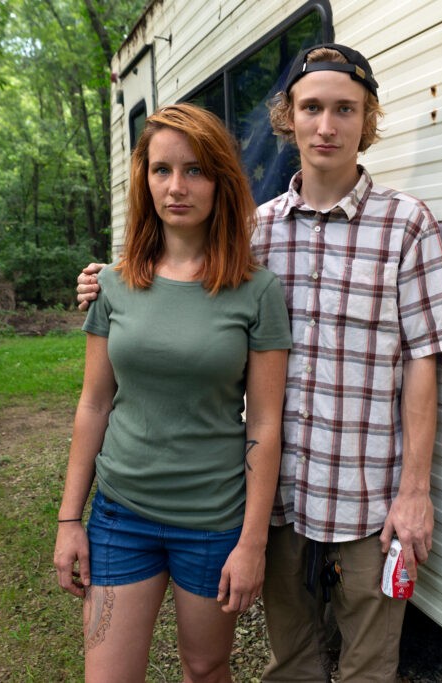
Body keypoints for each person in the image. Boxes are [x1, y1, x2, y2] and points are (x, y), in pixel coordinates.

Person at [77, 44, 442, 681]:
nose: (327, 125)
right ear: (288, 117)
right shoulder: (256, 231)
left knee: (370, 665)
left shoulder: (406, 225)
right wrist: (105, 282)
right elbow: (174, 277)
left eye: (346, 109)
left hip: (366, 491)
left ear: (366, 120)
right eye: (311, 107)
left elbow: (424, 358)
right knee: (293, 662)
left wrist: (415, 492)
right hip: (274, 497)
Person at [54, 102, 292, 683]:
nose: (176, 187)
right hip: (120, 515)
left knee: (206, 668)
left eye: (195, 171)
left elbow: (264, 422)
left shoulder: (256, 291)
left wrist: (252, 543)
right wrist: (69, 520)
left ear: (220, 183)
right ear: (144, 180)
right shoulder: (113, 284)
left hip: (212, 521)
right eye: (161, 170)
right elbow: (94, 404)